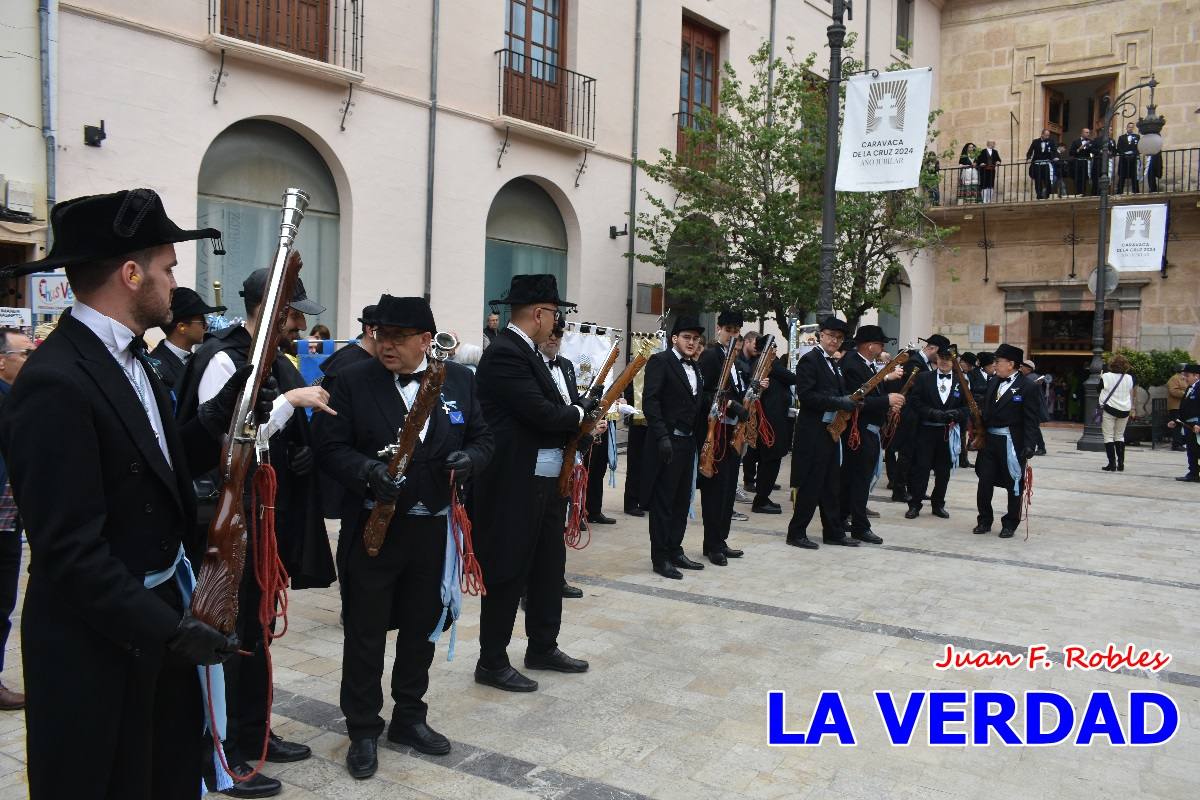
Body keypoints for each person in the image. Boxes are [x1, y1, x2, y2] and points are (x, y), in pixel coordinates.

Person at [0, 188, 272, 799]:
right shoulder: (56, 382)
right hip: (97, 649)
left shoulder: (133, 360)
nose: (176, 283)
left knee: (165, 777)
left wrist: (238, 399)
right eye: (168, 268)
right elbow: (70, 551)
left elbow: (160, 465)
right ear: (130, 273)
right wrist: (171, 631)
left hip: (152, 632)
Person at [312, 295, 493, 779]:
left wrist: (471, 460)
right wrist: (369, 471)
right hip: (375, 530)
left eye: (397, 337)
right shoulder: (350, 379)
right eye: (380, 335)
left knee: (422, 629)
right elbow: (328, 449)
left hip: (433, 530)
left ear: (425, 341)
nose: (385, 344)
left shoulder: (458, 380)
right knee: (366, 634)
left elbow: (482, 437)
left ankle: (409, 717)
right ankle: (363, 728)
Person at [176, 268, 337, 796]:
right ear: (270, 311)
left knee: (258, 628)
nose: (298, 325)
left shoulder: (270, 357)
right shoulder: (224, 357)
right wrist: (290, 405)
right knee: (232, 631)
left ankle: (254, 730)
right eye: (292, 314)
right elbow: (227, 440)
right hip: (227, 519)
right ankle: (225, 748)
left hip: (262, 513)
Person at [471, 274, 594, 692]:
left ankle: (543, 644)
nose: (555, 321)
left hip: (542, 483)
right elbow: (541, 413)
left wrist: (574, 417)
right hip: (510, 484)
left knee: (547, 566)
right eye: (554, 313)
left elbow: (551, 409)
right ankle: (491, 660)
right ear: (539, 313)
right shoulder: (506, 353)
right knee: (507, 571)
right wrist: (579, 414)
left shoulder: (531, 354)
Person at [640, 317, 706, 577]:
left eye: (695, 339)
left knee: (682, 499)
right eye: (686, 337)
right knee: (664, 502)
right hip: (667, 443)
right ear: (674, 339)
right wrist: (662, 437)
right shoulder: (661, 361)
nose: (691, 342)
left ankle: (675, 549)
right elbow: (651, 401)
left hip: (688, 442)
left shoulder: (696, 367)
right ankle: (660, 558)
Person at [538, 326, 600, 596]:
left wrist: (587, 425)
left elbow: (573, 402)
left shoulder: (565, 365)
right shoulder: (531, 366)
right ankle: (531, 589)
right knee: (537, 529)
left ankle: (555, 579)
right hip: (539, 460)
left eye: (559, 333)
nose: (554, 337)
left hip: (565, 454)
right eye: (550, 332)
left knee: (557, 525)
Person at [787, 317, 858, 550]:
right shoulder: (810, 360)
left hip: (829, 431)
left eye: (839, 338)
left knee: (830, 484)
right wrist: (837, 401)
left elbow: (839, 392)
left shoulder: (833, 363)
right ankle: (796, 532)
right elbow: (806, 396)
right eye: (831, 336)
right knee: (811, 483)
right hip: (813, 431)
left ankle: (833, 532)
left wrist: (853, 400)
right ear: (820, 335)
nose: (835, 341)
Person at [838, 326, 904, 544]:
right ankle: (859, 525)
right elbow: (856, 400)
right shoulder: (853, 365)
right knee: (859, 480)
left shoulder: (863, 364)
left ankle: (844, 518)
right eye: (880, 344)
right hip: (859, 431)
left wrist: (888, 405)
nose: (882, 348)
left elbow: (872, 393)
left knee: (856, 479)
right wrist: (887, 401)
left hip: (868, 430)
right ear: (870, 345)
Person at [697, 310, 751, 566]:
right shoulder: (710, 355)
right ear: (718, 329)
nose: (732, 334)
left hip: (732, 431)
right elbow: (705, 393)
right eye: (728, 329)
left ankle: (721, 539)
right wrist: (730, 404)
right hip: (716, 430)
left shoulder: (736, 359)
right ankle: (712, 544)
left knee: (728, 490)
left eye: (736, 331)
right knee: (716, 491)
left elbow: (738, 389)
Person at [0, 327, 35, 711]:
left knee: (3, 603)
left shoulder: (20, 399)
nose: (30, 361)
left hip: (9, 522)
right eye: (24, 354)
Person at [973, 344, 1041, 539]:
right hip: (990, 441)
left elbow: (1031, 419)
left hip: (1012, 442)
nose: (995, 365)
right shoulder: (994, 381)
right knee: (984, 481)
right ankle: (984, 520)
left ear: (1011, 364)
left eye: (998, 362)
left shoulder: (1028, 386)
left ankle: (1010, 522)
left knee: (1014, 484)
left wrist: (1030, 444)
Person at [906, 347, 969, 519]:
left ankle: (938, 504)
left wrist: (957, 414)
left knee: (943, 472)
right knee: (921, 470)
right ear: (936, 359)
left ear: (954, 361)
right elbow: (915, 401)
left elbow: (967, 406)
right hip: (926, 430)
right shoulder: (924, 377)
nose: (944, 361)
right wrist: (931, 412)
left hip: (948, 432)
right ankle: (915, 505)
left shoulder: (961, 381)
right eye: (941, 357)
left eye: (948, 358)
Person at [886, 334, 946, 504]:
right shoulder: (914, 362)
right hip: (909, 415)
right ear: (932, 349)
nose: (941, 359)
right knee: (907, 454)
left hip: (918, 415)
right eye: (940, 354)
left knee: (915, 455)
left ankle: (914, 489)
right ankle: (899, 490)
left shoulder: (924, 363)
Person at [744, 334, 795, 514]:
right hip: (771, 421)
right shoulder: (768, 364)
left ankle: (763, 497)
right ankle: (761, 500)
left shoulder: (761, 363)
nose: (774, 350)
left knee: (769, 460)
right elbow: (791, 377)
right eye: (772, 347)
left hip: (771, 419)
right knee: (771, 460)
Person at [150, 287, 225, 390]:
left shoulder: (196, 358)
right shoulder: (157, 368)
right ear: (182, 327)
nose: (207, 326)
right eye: (202, 322)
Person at [1099, 354, 1136, 472]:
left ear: (1112, 365)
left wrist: (1101, 377)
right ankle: (1121, 464)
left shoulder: (1106, 376)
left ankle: (1112, 464)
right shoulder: (1129, 378)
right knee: (1120, 436)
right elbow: (1130, 390)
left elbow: (1098, 389)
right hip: (1124, 409)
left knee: (1108, 436)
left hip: (1110, 408)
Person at [1168, 364, 1200, 482]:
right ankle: (1193, 473)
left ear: (1196, 376)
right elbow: (1185, 407)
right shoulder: (1190, 387)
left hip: (1196, 425)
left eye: (1187, 375)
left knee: (1197, 450)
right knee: (1191, 450)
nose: (1185, 378)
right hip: (1188, 425)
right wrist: (1176, 421)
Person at [623, 382, 648, 517]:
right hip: (639, 418)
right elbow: (629, 392)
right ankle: (631, 502)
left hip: (656, 420)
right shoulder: (638, 365)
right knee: (635, 462)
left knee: (651, 464)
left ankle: (646, 499)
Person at [1018, 360, 1049, 456]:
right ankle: (1039, 447)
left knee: (1034, 428)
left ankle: (1041, 447)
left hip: (1033, 408)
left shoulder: (1031, 378)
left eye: (1022, 367)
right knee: (1034, 427)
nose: (1021, 369)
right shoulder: (1030, 377)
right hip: (1032, 407)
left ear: (1028, 369)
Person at [1026, 129, 1056, 200]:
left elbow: (1054, 151)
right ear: (1042, 134)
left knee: (1047, 180)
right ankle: (1039, 195)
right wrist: (1028, 157)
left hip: (1046, 164)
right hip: (1037, 164)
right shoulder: (1035, 141)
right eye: (1046, 135)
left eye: (1048, 135)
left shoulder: (1051, 141)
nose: (1047, 137)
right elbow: (1030, 151)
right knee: (1038, 180)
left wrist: (1054, 157)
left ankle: (1047, 195)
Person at [1167, 364, 1189, 450]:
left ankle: (1181, 442)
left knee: (1181, 425)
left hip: (1182, 406)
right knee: (1177, 425)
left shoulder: (1184, 378)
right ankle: (1176, 445)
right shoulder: (1174, 378)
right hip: (1175, 406)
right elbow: (1173, 391)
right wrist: (1185, 394)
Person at [1069, 128, 1097, 196]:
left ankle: (1083, 194)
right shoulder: (1076, 141)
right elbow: (1070, 152)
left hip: (1086, 162)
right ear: (1082, 133)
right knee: (1078, 179)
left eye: (1088, 132)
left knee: (1085, 179)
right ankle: (1078, 194)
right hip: (1077, 163)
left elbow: (1094, 151)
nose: (1088, 134)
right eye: (1086, 132)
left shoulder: (1090, 141)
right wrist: (1079, 149)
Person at [1115, 122, 1141, 194]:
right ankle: (1119, 192)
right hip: (1124, 159)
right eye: (1129, 127)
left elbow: (1139, 147)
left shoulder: (1137, 136)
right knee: (1122, 176)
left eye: (1132, 127)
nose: (1130, 128)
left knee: (1134, 176)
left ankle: (1136, 192)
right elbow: (1119, 148)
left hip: (1133, 159)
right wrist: (1124, 154)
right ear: (1126, 128)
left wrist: (1134, 154)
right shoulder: (1121, 137)